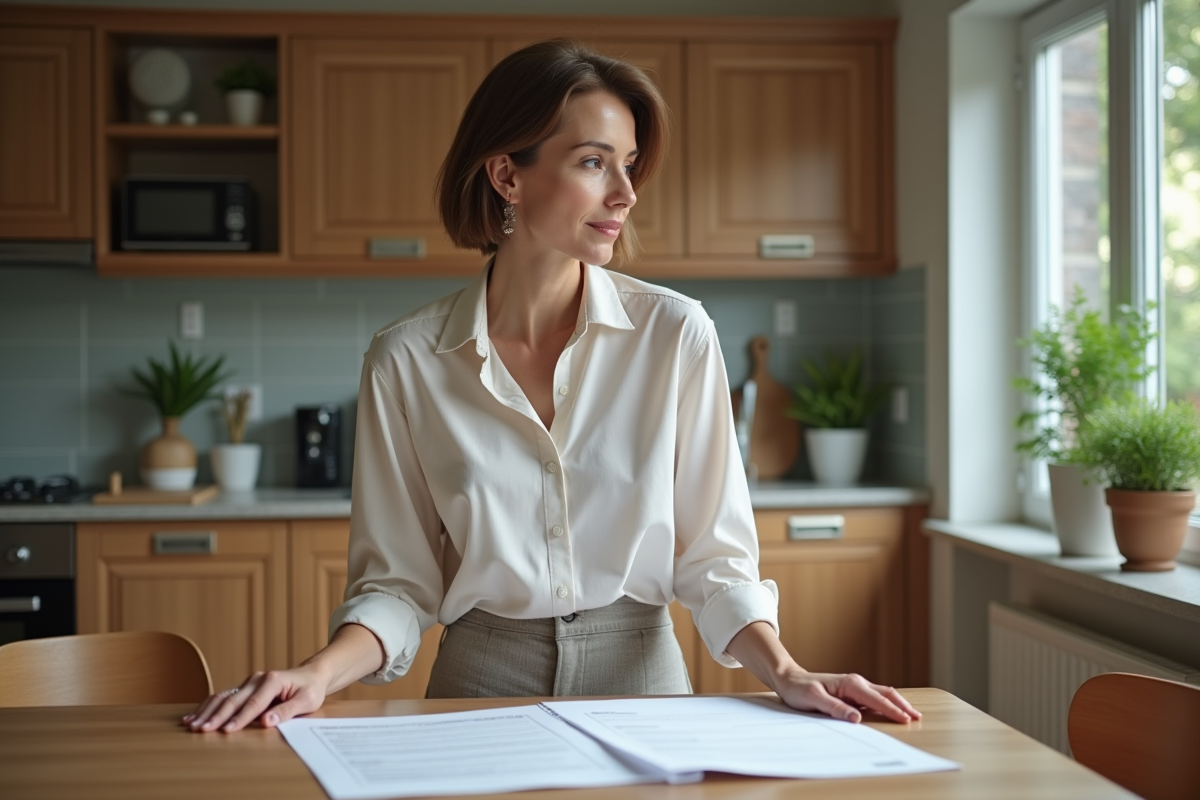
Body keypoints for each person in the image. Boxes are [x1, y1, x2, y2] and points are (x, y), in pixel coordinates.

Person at [184, 40, 920, 734]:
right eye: (594, 163)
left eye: (630, 164)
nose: (627, 192)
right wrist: (316, 675)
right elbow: (398, 585)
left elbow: (715, 561)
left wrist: (786, 672)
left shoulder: (676, 335)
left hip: (645, 682)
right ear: (507, 175)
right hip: (476, 688)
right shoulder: (405, 360)